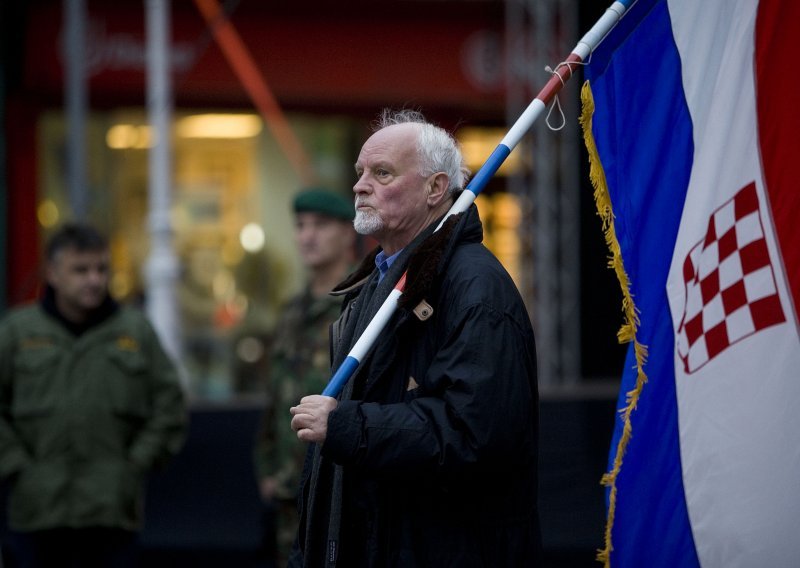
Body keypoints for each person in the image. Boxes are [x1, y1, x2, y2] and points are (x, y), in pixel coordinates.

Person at [289, 109, 541, 567]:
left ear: (435, 189)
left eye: (382, 173)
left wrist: (347, 425)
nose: (359, 185)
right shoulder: (372, 283)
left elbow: (473, 437)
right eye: (360, 172)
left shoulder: (476, 288)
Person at [0, 223, 187, 568]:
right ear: (53, 273)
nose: (94, 279)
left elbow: (170, 405)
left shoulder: (134, 331)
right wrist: (18, 469)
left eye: (101, 269)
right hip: (38, 511)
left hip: (111, 512)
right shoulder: (17, 332)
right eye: (80, 270)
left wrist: (133, 467)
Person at [253, 189, 356, 566]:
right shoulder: (292, 312)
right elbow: (276, 394)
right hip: (288, 486)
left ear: (348, 233)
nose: (307, 235)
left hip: (339, 485)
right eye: (300, 226)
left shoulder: (361, 303)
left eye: (320, 225)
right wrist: (266, 466)